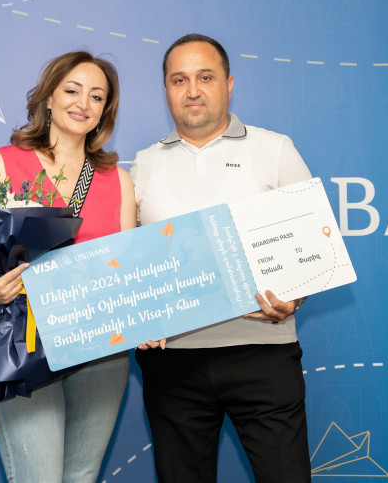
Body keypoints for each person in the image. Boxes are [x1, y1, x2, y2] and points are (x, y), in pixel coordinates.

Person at [131, 34, 313, 482]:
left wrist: (296, 297)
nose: (192, 90)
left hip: (264, 353)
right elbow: (128, 264)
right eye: (179, 80)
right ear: (166, 89)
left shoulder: (275, 149)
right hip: (172, 364)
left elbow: (313, 248)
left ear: (229, 84)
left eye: (205, 77)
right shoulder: (143, 164)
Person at [0, 51, 136, 482]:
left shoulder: (118, 180)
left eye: (96, 96)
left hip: (102, 348)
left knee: (81, 476)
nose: (83, 103)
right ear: (49, 98)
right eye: (72, 90)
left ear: (104, 111)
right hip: (23, 343)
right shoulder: (4, 163)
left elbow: (130, 269)